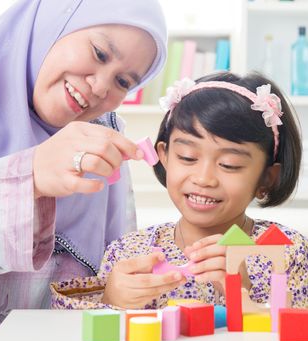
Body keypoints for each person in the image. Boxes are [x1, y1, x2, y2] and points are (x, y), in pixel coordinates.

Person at [0, 0, 167, 341]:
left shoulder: (102, 142)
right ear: (54, 20)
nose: (101, 87)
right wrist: (30, 175)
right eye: (100, 53)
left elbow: (109, 276)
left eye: (122, 81)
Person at [51, 71, 308, 311]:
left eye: (230, 165)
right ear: (164, 156)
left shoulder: (285, 251)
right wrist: (111, 301)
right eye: (187, 157)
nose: (204, 178)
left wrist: (245, 296)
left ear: (267, 178)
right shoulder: (130, 252)